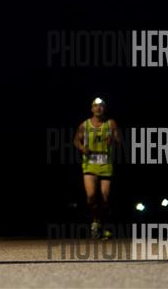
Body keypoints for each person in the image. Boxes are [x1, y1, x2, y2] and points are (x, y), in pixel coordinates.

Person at [73, 97, 120, 239]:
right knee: (91, 197)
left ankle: (105, 226)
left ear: (104, 109)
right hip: (90, 165)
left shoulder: (110, 123)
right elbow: (76, 140)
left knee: (105, 198)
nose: (98, 108)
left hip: (106, 164)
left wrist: (113, 139)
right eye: (95, 106)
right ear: (91, 109)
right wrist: (82, 148)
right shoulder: (85, 125)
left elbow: (119, 140)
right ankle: (95, 221)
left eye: (101, 106)